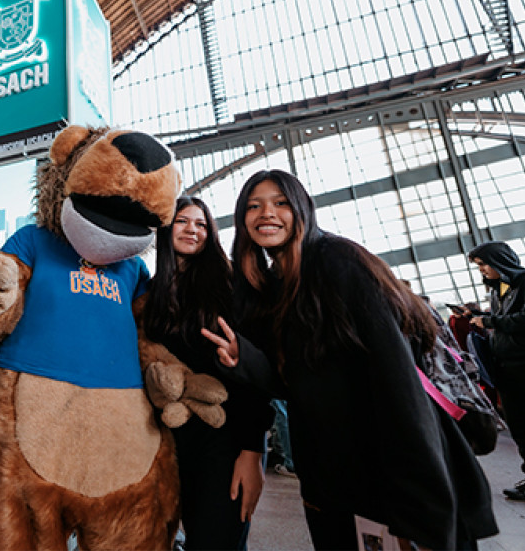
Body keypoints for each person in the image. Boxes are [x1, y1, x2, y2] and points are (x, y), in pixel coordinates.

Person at [205, 169, 497, 550]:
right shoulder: (271, 287)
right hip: (333, 479)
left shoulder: (337, 261)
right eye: (253, 206)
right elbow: (300, 382)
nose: (267, 213)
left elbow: (396, 381)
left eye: (280, 203)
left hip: (390, 471)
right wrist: (246, 359)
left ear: (301, 210)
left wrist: (422, 505)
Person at [141, 196, 273, 550]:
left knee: (218, 541)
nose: (192, 230)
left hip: (224, 440)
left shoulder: (229, 281)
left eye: (201, 224)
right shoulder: (151, 292)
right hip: (168, 440)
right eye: (183, 221)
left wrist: (252, 451)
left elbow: (255, 376)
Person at [468, 241, 525, 501]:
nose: (481, 270)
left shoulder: (524, 282)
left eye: (483, 264)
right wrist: (479, 315)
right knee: (520, 428)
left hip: (523, 364)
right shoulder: (498, 288)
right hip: (505, 367)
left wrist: (488, 320)